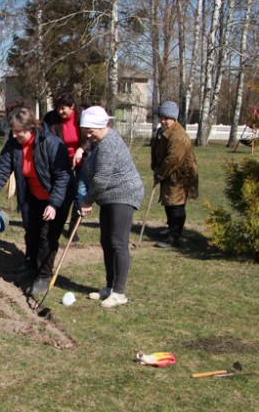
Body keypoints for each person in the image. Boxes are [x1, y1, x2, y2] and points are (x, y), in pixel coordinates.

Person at [0, 106, 73, 295]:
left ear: (31, 128)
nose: (14, 135)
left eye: (18, 132)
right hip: (32, 195)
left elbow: (63, 176)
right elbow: (0, 173)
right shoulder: (13, 145)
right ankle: (31, 267)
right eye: (12, 131)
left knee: (47, 237)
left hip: (56, 196)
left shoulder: (51, 144)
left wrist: (53, 204)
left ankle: (43, 276)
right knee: (31, 232)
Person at [78, 106, 144, 308]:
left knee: (118, 242)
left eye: (91, 130)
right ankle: (109, 287)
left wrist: (87, 201)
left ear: (101, 125)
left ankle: (119, 293)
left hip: (124, 195)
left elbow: (100, 180)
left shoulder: (108, 144)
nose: (88, 134)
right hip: (108, 197)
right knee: (106, 241)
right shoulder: (98, 141)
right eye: (85, 130)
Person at [151, 101, 199, 248]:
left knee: (176, 204)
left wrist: (160, 174)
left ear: (174, 118)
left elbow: (173, 159)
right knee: (168, 202)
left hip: (180, 176)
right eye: (161, 117)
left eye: (167, 118)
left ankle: (174, 237)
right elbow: (157, 151)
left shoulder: (178, 136)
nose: (163, 121)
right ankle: (170, 228)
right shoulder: (163, 132)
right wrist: (155, 168)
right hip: (168, 174)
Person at [43, 93, 91, 241]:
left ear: (72, 107)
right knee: (61, 192)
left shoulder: (83, 117)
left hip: (82, 160)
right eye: (58, 109)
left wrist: (81, 149)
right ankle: (55, 221)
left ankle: (73, 228)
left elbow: (91, 137)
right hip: (61, 161)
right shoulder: (51, 118)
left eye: (63, 109)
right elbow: (46, 136)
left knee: (81, 192)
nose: (60, 112)